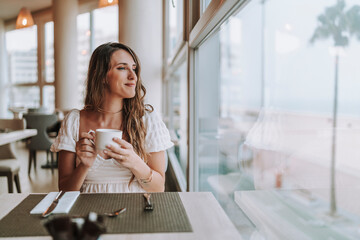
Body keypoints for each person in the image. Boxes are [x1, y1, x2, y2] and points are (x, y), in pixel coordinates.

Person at [51, 42, 173, 193]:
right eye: (122, 68)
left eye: (134, 69)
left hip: (135, 212)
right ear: (101, 75)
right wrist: (84, 166)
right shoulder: (74, 121)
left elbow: (158, 188)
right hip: (89, 214)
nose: (133, 76)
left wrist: (135, 162)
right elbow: (64, 190)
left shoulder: (147, 120)